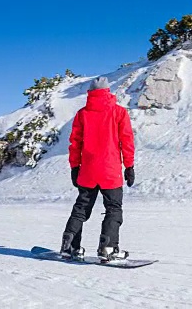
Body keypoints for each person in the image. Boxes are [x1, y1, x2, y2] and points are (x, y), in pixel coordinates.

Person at [60, 77, 135, 262]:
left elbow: (75, 143)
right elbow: (127, 141)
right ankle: (108, 248)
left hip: (88, 171)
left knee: (80, 210)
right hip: (110, 171)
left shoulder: (82, 114)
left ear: (90, 93)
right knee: (113, 209)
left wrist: (74, 167)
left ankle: (69, 246)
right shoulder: (118, 112)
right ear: (108, 91)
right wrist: (129, 166)